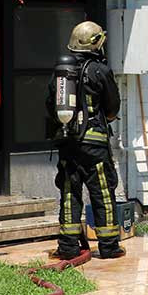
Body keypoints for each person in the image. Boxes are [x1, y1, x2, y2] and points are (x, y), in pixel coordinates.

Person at [46, 20, 125, 259]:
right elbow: (112, 108)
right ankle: (109, 247)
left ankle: (68, 248)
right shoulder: (100, 71)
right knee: (102, 192)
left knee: (70, 192)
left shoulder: (61, 73)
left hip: (68, 143)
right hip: (94, 146)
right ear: (95, 43)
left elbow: (50, 106)